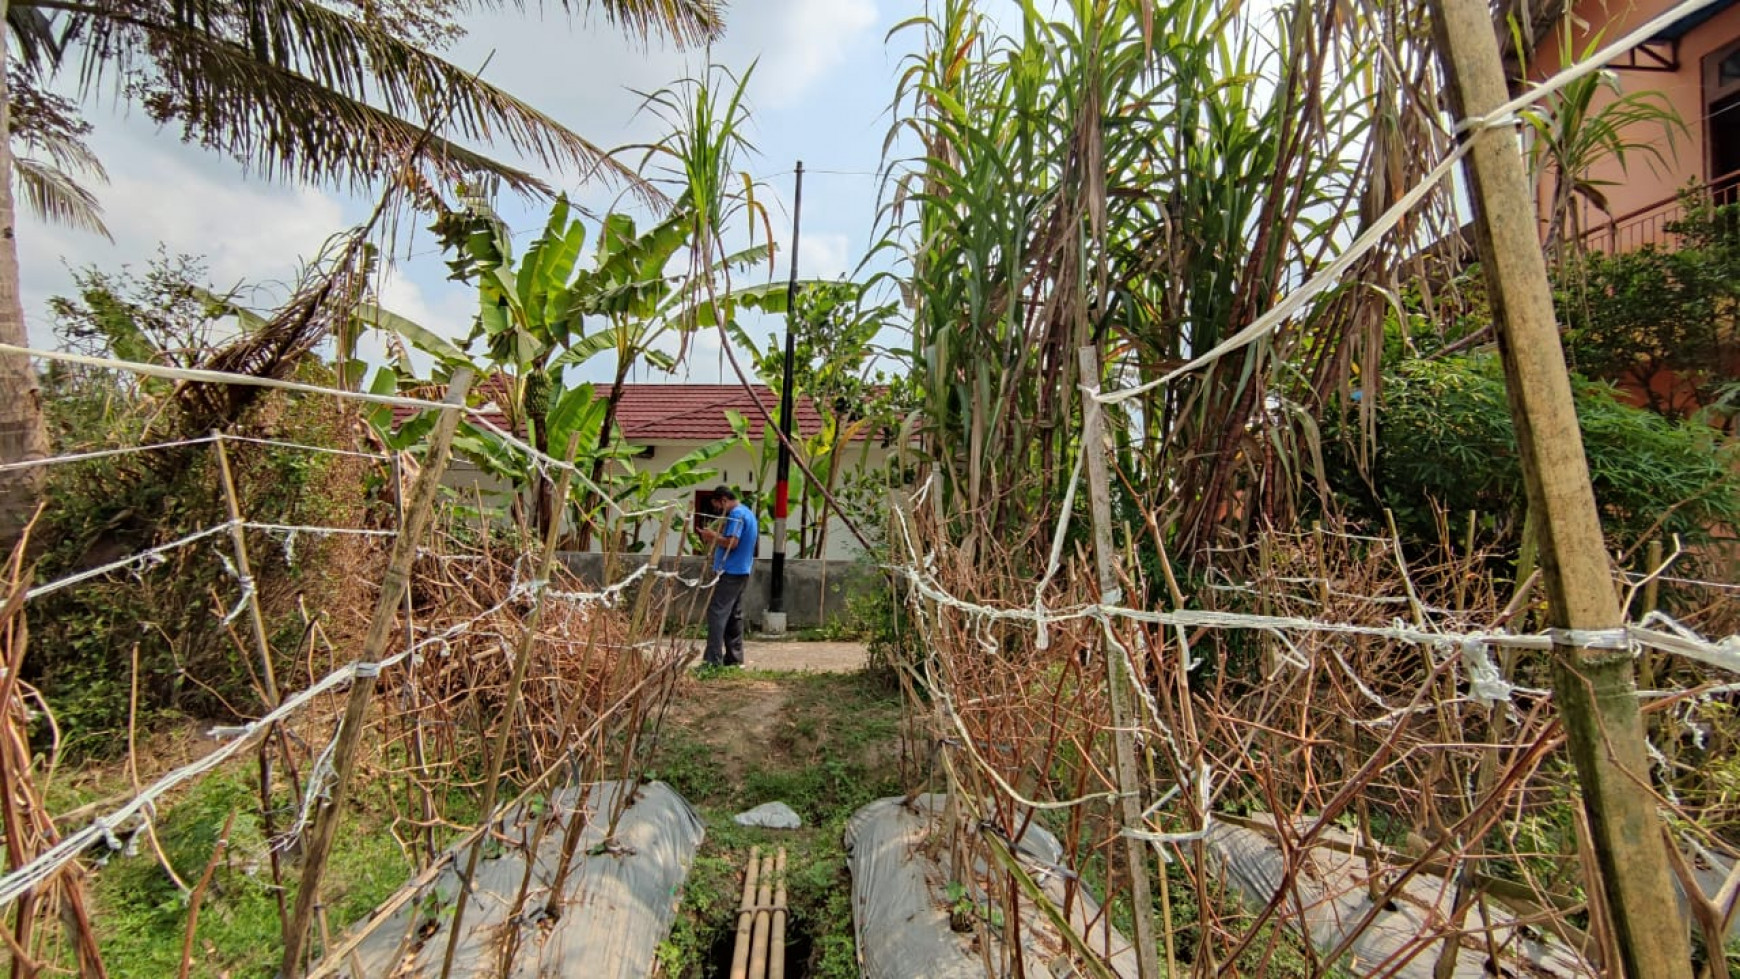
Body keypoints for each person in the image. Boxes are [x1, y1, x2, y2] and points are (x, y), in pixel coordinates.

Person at [697, 486, 758, 667]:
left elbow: (732, 542)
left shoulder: (736, 515)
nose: (718, 510)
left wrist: (711, 536)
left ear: (724, 500)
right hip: (741, 570)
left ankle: (712, 659)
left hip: (730, 571)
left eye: (717, 505)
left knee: (717, 612)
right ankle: (734, 658)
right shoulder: (746, 512)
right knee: (733, 615)